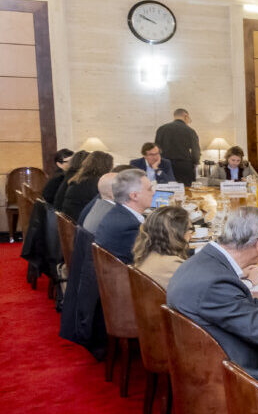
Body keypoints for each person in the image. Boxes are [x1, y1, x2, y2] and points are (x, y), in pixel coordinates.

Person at [166, 206, 258, 395]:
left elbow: (246, 306)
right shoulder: (215, 283)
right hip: (243, 377)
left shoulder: (204, 261)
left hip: (210, 362)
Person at [59, 169, 152, 357]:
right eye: (150, 189)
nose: (154, 192)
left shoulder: (118, 214)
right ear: (134, 196)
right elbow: (149, 262)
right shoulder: (127, 225)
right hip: (122, 300)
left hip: (108, 293)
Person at [132, 205, 193, 289]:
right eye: (189, 229)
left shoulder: (146, 257)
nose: (191, 236)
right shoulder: (174, 265)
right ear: (177, 234)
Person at [57, 150, 113, 222]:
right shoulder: (96, 183)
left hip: (70, 222)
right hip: (80, 225)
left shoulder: (78, 179)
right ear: (107, 167)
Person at [154, 108, 201, 185]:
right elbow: (196, 151)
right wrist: (195, 163)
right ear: (186, 116)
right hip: (184, 166)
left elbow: (156, 149)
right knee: (186, 191)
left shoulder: (161, 129)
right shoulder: (190, 131)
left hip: (165, 165)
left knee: (165, 189)